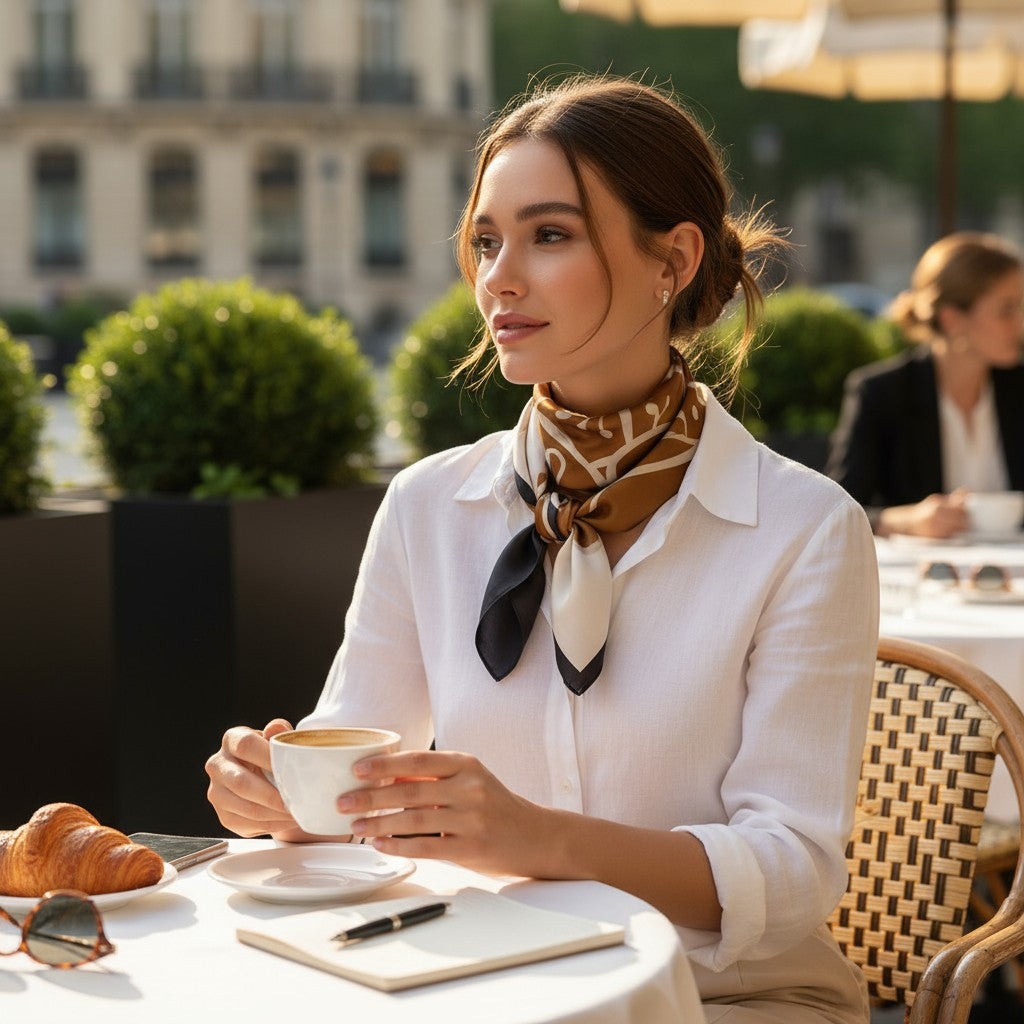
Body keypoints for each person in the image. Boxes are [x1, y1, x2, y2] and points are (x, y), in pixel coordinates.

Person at [206, 75, 878, 1023]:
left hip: (725, 996)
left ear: (673, 259)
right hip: (469, 982)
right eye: (486, 241)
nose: (498, 278)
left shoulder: (804, 528)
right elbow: (358, 776)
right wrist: (281, 794)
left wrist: (533, 838)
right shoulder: (428, 505)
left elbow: (792, 872)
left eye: (548, 235)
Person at [827, 231, 1024, 538]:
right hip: (921, 579)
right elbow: (837, 512)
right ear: (951, 319)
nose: (1020, 323)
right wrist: (907, 521)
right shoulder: (882, 393)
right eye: (1006, 310)